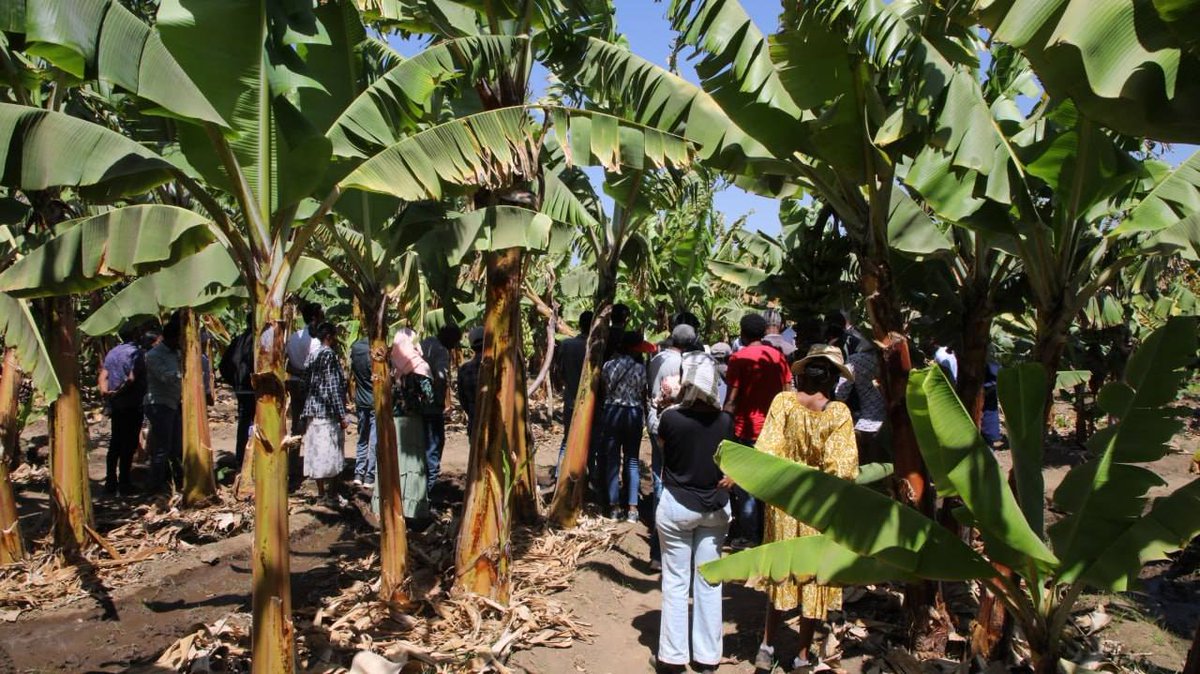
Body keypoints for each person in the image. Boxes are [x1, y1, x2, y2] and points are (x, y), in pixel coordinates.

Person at [751, 344, 859, 671]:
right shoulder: (837, 413)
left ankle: (766, 647)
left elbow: (767, 449)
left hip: (784, 501)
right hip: (818, 505)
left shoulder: (784, 403)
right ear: (831, 379)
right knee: (812, 580)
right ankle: (800, 657)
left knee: (780, 574)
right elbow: (841, 468)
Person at [653, 352, 733, 674]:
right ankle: (707, 658)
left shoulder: (670, 418)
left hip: (676, 506)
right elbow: (730, 462)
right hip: (714, 508)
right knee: (709, 583)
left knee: (675, 582)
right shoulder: (725, 421)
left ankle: (673, 658)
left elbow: (662, 449)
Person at [722, 313, 791, 546]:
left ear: (742, 334)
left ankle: (749, 537)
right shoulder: (779, 359)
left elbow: (732, 398)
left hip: (745, 431)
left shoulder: (738, 359)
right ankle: (768, 534)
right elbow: (787, 393)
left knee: (746, 484)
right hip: (773, 430)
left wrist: (723, 427)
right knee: (769, 484)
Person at [646, 323, 698, 566]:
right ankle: (664, 549)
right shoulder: (681, 364)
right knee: (668, 483)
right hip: (672, 424)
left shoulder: (656, 358)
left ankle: (658, 550)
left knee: (659, 477)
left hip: (654, 420)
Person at [598, 329, 647, 521]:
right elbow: (643, 393)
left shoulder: (608, 366)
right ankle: (633, 509)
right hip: (633, 414)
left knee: (612, 459)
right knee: (632, 460)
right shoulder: (640, 369)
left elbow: (604, 390)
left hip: (612, 412)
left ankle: (614, 506)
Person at [384, 328, 433, 522]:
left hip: (394, 422)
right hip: (412, 422)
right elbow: (429, 397)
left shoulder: (390, 366)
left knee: (396, 462)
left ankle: (392, 506)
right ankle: (412, 509)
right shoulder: (419, 366)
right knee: (413, 464)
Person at [301, 322, 350, 499]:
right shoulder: (329, 356)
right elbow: (333, 386)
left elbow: (305, 382)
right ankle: (332, 493)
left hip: (312, 410)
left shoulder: (312, 355)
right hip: (326, 413)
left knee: (316, 452)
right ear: (329, 337)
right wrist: (342, 415)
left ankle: (322, 491)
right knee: (332, 452)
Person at [100, 322, 146, 495]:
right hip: (132, 404)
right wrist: (118, 392)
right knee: (129, 444)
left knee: (115, 443)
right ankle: (125, 482)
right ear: (135, 334)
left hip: (117, 406)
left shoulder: (113, 352)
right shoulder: (136, 353)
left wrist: (106, 393)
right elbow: (132, 379)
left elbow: (103, 375)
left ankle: (110, 481)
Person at [420, 323, 461, 494]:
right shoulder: (441, 351)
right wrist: (440, 402)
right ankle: (426, 496)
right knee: (433, 448)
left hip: (415, 406)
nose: (455, 346)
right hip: (430, 409)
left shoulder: (424, 344)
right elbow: (441, 378)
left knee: (421, 449)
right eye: (455, 341)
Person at [144, 315, 183, 491]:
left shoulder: (178, 353)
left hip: (174, 403)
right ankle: (156, 485)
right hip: (159, 403)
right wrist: (186, 374)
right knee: (162, 448)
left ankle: (176, 480)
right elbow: (164, 377)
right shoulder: (153, 355)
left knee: (176, 446)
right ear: (172, 338)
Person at [834, 338, 887, 464]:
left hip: (866, 424)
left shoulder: (855, 360)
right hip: (895, 424)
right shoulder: (894, 358)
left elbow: (841, 393)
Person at [554, 311, 592, 473]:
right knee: (589, 440)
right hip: (590, 402)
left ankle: (559, 473)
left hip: (570, 399)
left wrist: (561, 386)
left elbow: (557, 372)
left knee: (567, 439)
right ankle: (585, 475)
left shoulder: (567, 345)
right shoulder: (594, 347)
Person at [218, 326, 256, 470]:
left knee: (244, 423)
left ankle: (241, 459)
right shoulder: (257, 341)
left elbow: (224, 365)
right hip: (255, 390)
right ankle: (251, 460)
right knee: (256, 424)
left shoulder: (238, 341)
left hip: (242, 389)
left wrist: (235, 383)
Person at [286, 302, 323, 435]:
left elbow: (287, 365)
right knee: (313, 422)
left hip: (295, 383)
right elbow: (317, 366)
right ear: (315, 318)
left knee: (297, 421)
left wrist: (299, 372)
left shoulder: (294, 337)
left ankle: (294, 454)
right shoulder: (316, 341)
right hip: (312, 385)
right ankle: (310, 454)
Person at [349, 336, 376, 487]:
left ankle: (358, 473)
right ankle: (370, 476)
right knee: (373, 440)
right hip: (373, 401)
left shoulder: (356, 349)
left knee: (362, 438)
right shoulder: (373, 351)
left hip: (361, 401)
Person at [457, 327, 485, 441]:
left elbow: (462, 399)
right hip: (495, 421)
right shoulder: (495, 367)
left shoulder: (464, 369)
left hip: (474, 420)